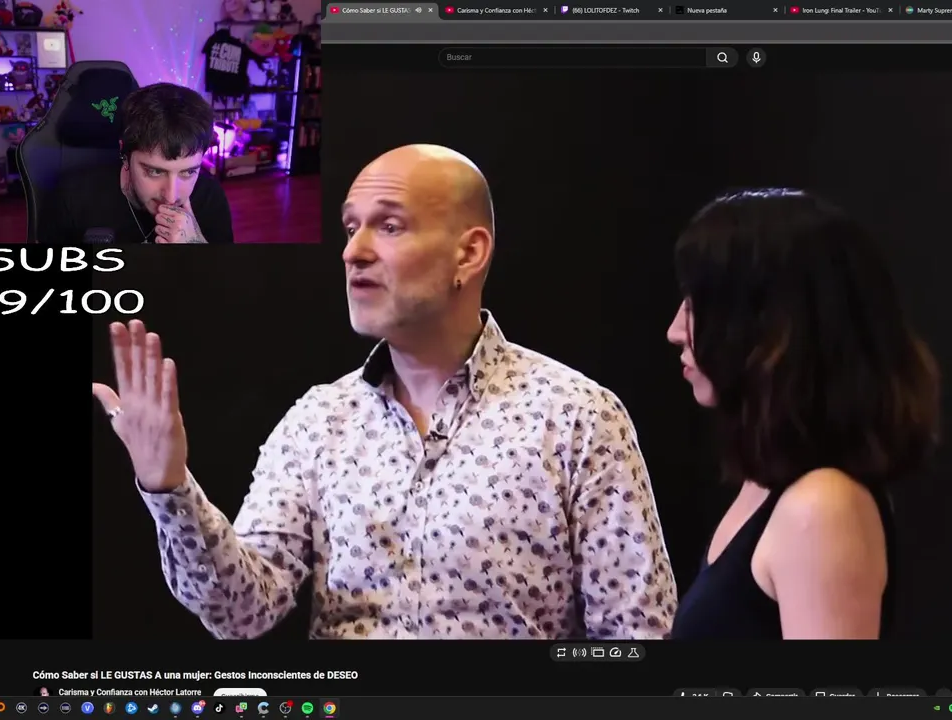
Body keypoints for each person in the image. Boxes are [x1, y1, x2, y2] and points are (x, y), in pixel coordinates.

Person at [91, 144, 677, 639]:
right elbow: (241, 612)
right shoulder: (320, 420)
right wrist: (169, 487)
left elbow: (638, 635)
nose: (353, 251)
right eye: (351, 228)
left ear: (468, 253)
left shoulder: (576, 417)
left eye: (389, 226)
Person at [665, 189, 940, 640]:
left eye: (699, 305)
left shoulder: (821, 507)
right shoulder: (766, 487)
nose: (676, 330)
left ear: (773, 327)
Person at [41, 83, 233, 244]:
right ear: (124, 153)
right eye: (155, 172)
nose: (171, 197)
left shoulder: (210, 198)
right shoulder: (72, 198)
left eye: (188, 172)